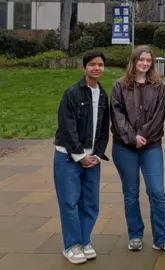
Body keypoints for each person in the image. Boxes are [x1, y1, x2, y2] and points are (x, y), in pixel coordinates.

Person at [110, 45, 165, 254]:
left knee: (157, 191)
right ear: (133, 61)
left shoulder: (159, 86)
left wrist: (143, 137)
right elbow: (117, 114)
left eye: (149, 60)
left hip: (151, 145)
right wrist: (132, 137)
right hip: (124, 147)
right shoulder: (119, 85)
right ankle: (135, 235)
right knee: (131, 192)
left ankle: (161, 237)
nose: (145, 63)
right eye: (142, 59)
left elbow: (159, 115)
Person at [53, 52, 110, 264]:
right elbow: (67, 127)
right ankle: (71, 245)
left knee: (91, 203)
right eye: (92, 65)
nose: (97, 68)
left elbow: (104, 127)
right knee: (69, 202)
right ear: (84, 67)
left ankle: (85, 241)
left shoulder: (103, 94)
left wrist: (96, 152)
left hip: (92, 158)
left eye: (100, 65)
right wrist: (80, 155)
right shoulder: (72, 93)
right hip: (69, 157)